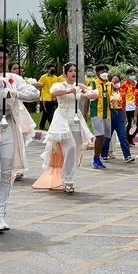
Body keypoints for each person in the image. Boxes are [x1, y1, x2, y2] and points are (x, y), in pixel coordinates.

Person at [0, 46, 40, 231]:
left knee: (6, 173)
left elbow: (34, 94)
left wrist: (14, 93)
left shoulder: (15, 79)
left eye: (4, 58)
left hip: (8, 127)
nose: (1, 61)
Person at [33, 63, 97, 194]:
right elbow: (53, 92)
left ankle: (69, 179)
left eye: (75, 71)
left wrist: (86, 94)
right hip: (62, 119)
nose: (73, 73)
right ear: (65, 73)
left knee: (76, 150)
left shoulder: (79, 85)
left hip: (75, 119)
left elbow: (95, 94)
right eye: (70, 71)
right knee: (71, 148)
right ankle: (68, 180)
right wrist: (69, 90)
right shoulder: (60, 84)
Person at [8, 63, 40, 181]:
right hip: (8, 113)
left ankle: (18, 169)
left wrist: (16, 93)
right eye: (14, 69)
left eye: (18, 69)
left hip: (20, 112)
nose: (17, 71)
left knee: (20, 139)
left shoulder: (20, 80)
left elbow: (35, 90)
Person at [101, 75, 135, 163]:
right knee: (107, 136)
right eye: (114, 81)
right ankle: (103, 154)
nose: (116, 83)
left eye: (118, 81)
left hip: (120, 113)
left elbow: (124, 105)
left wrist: (125, 117)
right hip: (110, 113)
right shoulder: (108, 91)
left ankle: (127, 156)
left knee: (123, 136)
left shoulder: (122, 92)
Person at [85, 65, 112, 169]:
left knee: (106, 136)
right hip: (96, 112)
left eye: (105, 71)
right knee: (99, 135)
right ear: (97, 73)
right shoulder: (93, 83)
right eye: (102, 71)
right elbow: (88, 97)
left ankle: (100, 156)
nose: (104, 73)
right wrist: (85, 112)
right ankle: (96, 158)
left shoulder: (110, 84)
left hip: (107, 113)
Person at [38, 63, 58, 130]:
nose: (53, 70)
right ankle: (52, 127)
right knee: (49, 113)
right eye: (51, 69)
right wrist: (39, 96)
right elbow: (39, 85)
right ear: (47, 69)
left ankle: (41, 125)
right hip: (45, 99)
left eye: (53, 69)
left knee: (46, 113)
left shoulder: (56, 77)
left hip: (53, 98)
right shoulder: (43, 77)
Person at [121, 68, 138, 146]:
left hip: (135, 106)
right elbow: (122, 96)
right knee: (128, 124)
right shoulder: (124, 84)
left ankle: (131, 137)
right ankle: (128, 140)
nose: (132, 76)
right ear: (127, 75)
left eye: (133, 74)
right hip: (127, 107)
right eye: (131, 74)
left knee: (137, 124)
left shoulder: (136, 83)